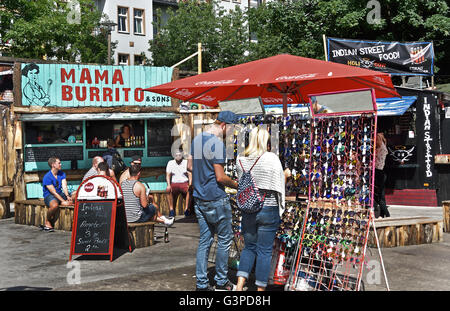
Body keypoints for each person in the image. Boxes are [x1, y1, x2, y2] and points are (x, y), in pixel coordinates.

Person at [187, 111, 239, 291]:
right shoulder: (217, 144)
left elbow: (189, 167)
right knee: (224, 240)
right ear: (224, 125)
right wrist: (235, 184)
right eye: (232, 128)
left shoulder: (197, 140)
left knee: (205, 241)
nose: (231, 133)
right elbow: (220, 177)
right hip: (215, 197)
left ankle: (202, 284)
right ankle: (221, 282)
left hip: (199, 198)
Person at [235, 126, 285, 292]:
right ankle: (260, 291)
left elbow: (243, 183)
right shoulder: (271, 158)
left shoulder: (241, 159)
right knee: (264, 251)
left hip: (249, 209)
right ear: (266, 141)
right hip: (268, 208)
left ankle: (240, 285)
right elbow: (278, 183)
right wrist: (287, 174)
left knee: (249, 248)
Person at [42, 157, 72, 232]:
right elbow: (54, 192)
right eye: (59, 163)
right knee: (54, 205)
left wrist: (68, 196)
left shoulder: (62, 173)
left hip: (60, 194)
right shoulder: (47, 177)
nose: (61, 164)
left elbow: (64, 186)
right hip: (50, 196)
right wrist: (63, 201)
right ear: (53, 165)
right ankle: (47, 220)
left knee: (75, 195)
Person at [166, 150, 192, 218]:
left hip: (184, 182)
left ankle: (187, 209)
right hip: (174, 183)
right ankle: (171, 210)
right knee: (168, 190)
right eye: (176, 155)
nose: (178, 156)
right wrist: (168, 185)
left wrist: (190, 184)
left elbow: (190, 174)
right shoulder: (170, 163)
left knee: (190, 190)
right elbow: (168, 175)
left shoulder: (186, 162)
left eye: (179, 155)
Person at [375, 132, 390, 218]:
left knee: (378, 195)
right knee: (381, 195)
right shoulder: (383, 147)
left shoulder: (380, 148)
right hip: (380, 172)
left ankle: (386, 214)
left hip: (378, 172)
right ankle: (382, 213)